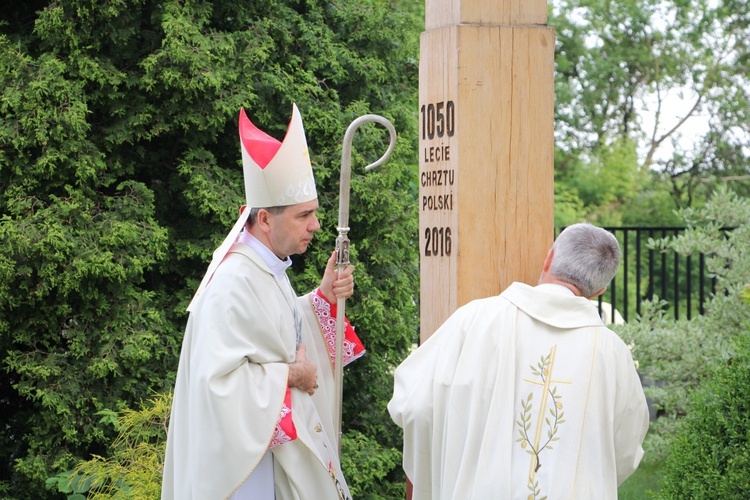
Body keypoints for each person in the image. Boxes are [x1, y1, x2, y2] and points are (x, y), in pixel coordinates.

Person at [162, 104, 364, 499]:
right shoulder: (233, 282)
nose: (316, 226)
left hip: (266, 462)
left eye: (316, 214)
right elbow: (217, 385)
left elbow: (275, 337)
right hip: (242, 477)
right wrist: (290, 376)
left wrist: (322, 299)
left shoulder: (265, 268)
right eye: (304, 215)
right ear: (266, 220)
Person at [388, 223, 649, 500]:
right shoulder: (613, 354)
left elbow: (416, 406)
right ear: (600, 291)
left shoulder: (475, 318)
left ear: (549, 258)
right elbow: (625, 450)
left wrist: (429, 482)